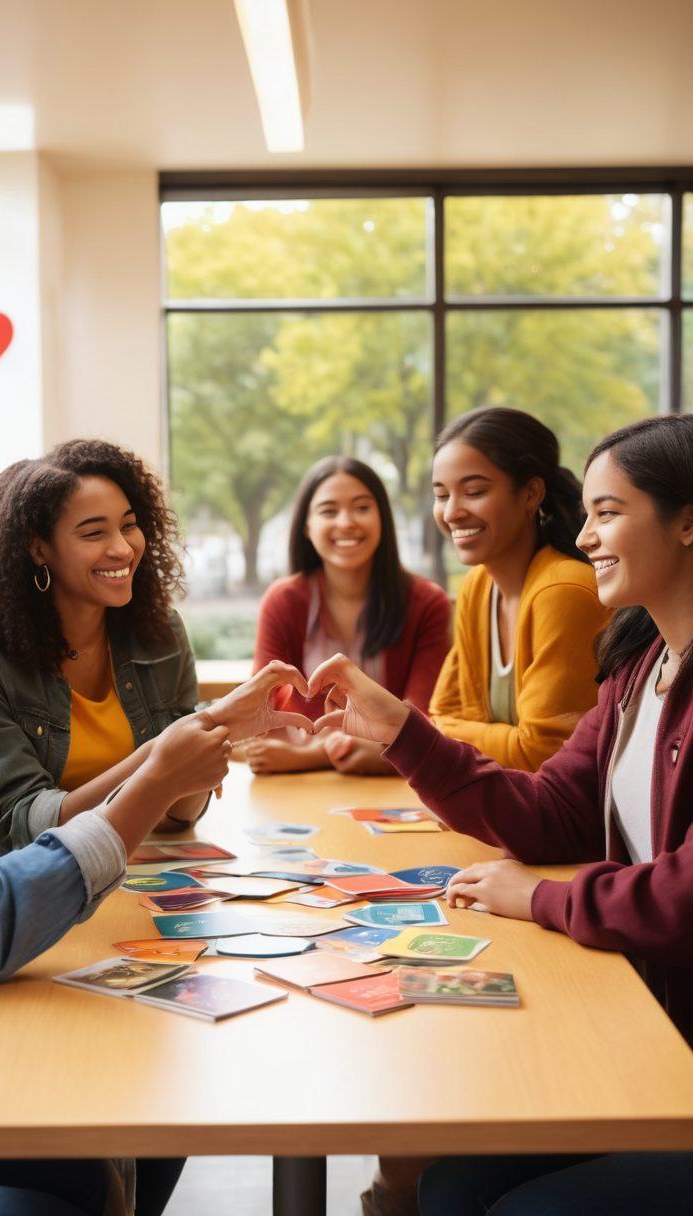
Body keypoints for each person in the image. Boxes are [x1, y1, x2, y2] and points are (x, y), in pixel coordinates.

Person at [0, 470, 312, 1216]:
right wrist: (158, 773)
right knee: (64, 1188)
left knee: (118, 1147)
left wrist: (182, 761)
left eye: (128, 524)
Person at [307, 414, 693, 1216]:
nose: (584, 538)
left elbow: (684, 894)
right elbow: (551, 810)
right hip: (647, 1021)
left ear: (688, 522)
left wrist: (543, 897)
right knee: (448, 1184)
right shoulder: (639, 664)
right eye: (585, 513)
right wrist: (402, 732)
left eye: (608, 513)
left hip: (675, 1050)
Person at [0, 439, 230, 862]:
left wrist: (212, 739)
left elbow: (180, 816)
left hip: (122, 869)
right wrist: (160, 762)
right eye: (94, 533)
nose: (123, 548)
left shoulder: (159, 632)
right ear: (38, 548)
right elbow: (24, 830)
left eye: (128, 524)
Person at [429, 407, 610, 770]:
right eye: (442, 495)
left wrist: (441, 735)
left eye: (474, 491)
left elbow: (540, 754)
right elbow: (440, 713)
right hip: (504, 813)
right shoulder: (477, 587)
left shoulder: (565, 591)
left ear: (531, 494)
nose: (452, 512)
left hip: (574, 822)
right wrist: (440, 732)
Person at [248, 456, 450, 776]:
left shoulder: (427, 603)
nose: (346, 522)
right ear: (307, 526)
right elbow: (260, 715)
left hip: (395, 787)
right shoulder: (283, 601)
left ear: (382, 518)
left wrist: (315, 755)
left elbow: (423, 729)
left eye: (361, 508)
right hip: (295, 786)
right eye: (329, 511)